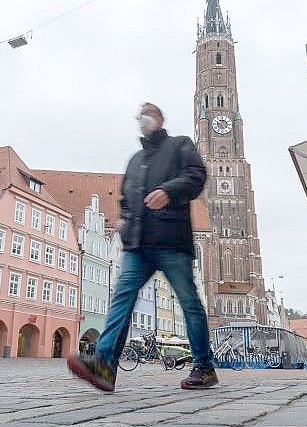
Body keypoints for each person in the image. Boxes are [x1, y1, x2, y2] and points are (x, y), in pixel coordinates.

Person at [67, 102, 214, 392]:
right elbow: (126, 198)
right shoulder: (135, 160)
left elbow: (197, 176)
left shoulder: (180, 145)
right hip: (138, 244)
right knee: (122, 298)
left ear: (160, 118)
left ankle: (204, 367)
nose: (143, 118)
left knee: (189, 303)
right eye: (140, 115)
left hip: (171, 240)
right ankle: (103, 365)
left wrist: (169, 191)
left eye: (148, 113)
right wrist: (123, 219)